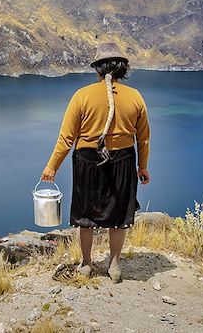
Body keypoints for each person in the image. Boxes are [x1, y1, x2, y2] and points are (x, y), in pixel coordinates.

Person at [41, 42, 151, 283]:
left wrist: (51, 167)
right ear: (122, 69)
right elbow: (142, 138)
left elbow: (66, 138)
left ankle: (87, 264)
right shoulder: (135, 97)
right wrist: (142, 166)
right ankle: (114, 265)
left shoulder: (82, 96)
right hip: (123, 161)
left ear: (98, 69)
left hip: (87, 161)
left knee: (85, 215)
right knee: (119, 215)